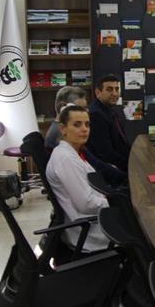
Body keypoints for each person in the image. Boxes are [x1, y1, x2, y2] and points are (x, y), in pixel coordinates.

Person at [46, 104, 109, 252]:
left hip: (95, 217)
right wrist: (115, 203)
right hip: (88, 230)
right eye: (77, 125)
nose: (84, 129)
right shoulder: (66, 159)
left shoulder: (72, 152)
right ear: (63, 129)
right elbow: (86, 204)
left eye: (87, 124)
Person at [46, 86, 128, 187]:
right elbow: (94, 164)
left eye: (86, 107)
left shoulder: (57, 129)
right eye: (80, 108)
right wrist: (126, 178)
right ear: (63, 107)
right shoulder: (61, 135)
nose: (87, 111)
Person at [87, 74, 131, 172]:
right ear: (98, 92)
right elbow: (105, 153)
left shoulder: (109, 110)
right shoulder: (96, 115)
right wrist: (131, 165)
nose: (115, 94)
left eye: (117, 89)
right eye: (109, 89)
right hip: (114, 170)